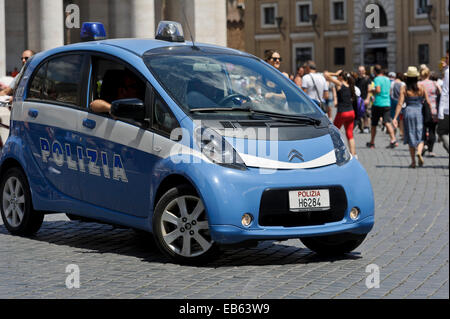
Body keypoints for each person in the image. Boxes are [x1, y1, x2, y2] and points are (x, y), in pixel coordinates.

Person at [393, 67, 431, 168]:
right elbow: (427, 102)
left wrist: (395, 118)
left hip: (408, 112)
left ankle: (413, 162)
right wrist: (431, 114)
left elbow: (400, 103)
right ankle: (419, 151)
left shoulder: (404, 88)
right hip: (419, 112)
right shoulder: (422, 87)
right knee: (421, 134)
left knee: (410, 134)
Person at [324, 70, 357, 157]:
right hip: (351, 112)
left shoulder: (340, 84)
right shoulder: (350, 85)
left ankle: (337, 153)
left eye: (338, 75)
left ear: (341, 77)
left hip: (343, 113)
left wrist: (334, 73)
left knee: (333, 132)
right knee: (350, 134)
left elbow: (326, 75)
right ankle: (354, 155)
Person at [367, 65, 398, 149]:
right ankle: (393, 139)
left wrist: (371, 90)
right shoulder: (387, 79)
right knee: (387, 122)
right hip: (387, 102)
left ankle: (372, 142)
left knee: (374, 124)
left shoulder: (377, 79)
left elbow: (378, 90)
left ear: (375, 72)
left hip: (378, 103)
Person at [419, 67, 441, 157]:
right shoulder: (435, 83)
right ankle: (430, 150)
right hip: (433, 108)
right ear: (428, 75)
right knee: (432, 130)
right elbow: (440, 93)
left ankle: (424, 145)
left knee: (423, 129)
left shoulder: (419, 84)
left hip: (422, 108)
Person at [437, 50, 449, 154]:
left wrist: (440, 111)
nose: (446, 60)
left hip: (447, 109)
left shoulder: (448, 72)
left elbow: (445, 92)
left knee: (441, 132)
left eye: (447, 58)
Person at [355, 66, 371, 133]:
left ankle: (367, 127)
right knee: (359, 113)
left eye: (362, 71)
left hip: (365, 98)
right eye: (359, 71)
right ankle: (361, 127)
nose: (360, 72)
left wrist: (367, 99)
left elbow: (369, 90)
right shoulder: (356, 80)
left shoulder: (367, 79)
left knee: (366, 114)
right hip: (358, 99)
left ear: (364, 71)